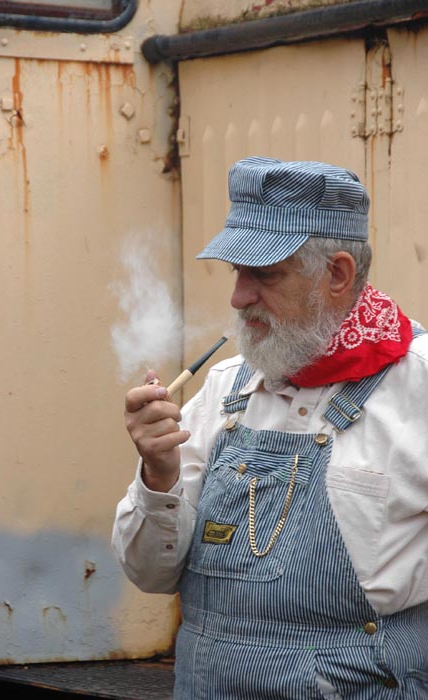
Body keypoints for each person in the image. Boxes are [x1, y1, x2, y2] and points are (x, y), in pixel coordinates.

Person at [112, 157, 428, 699]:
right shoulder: (224, 389)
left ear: (337, 274)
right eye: (237, 272)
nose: (238, 297)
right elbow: (151, 576)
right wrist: (159, 475)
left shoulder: (417, 386)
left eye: (265, 274)